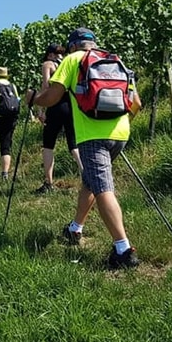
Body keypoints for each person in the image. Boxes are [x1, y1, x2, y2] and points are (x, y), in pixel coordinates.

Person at [27, 27, 142, 269]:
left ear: (72, 46)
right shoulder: (114, 59)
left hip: (92, 136)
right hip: (120, 133)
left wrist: (33, 99)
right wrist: (122, 124)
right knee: (90, 181)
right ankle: (75, 229)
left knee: (102, 188)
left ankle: (123, 249)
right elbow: (137, 103)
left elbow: (52, 97)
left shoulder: (72, 60)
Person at [34, 43, 83, 194]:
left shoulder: (48, 64)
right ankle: (86, 176)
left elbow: (45, 87)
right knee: (73, 144)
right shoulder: (68, 62)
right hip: (71, 106)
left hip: (55, 106)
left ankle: (49, 183)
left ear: (49, 54)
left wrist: (41, 110)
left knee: (48, 144)